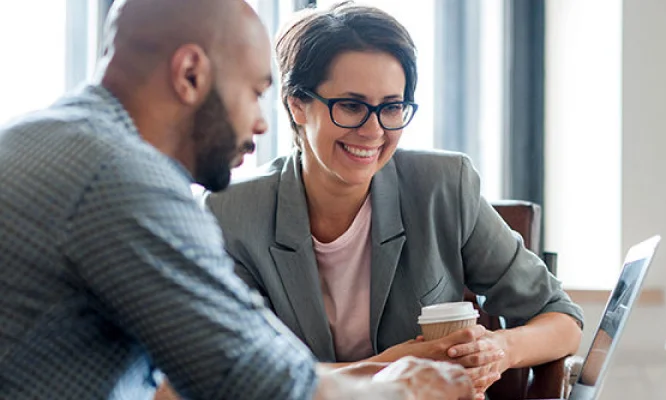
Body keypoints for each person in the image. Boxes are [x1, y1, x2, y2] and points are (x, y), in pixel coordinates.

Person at [0, 0, 473, 399]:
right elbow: (250, 379)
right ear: (190, 75)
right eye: (254, 92)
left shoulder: (42, 136)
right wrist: (405, 388)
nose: (262, 123)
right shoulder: (122, 179)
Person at [202, 2, 584, 398]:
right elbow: (237, 375)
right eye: (350, 106)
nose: (373, 130)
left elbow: (562, 318)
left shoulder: (443, 188)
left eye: (391, 107)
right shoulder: (232, 215)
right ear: (297, 104)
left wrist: (498, 350)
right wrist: (392, 367)